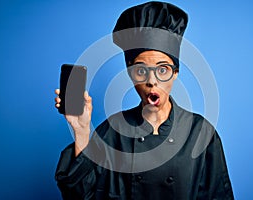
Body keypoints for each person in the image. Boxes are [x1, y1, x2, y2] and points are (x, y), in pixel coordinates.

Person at [54, 1, 234, 199]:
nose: (151, 81)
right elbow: (78, 195)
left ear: (175, 73)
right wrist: (81, 131)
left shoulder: (201, 133)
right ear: (131, 75)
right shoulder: (112, 131)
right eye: (141, 70)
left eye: (162, 69)